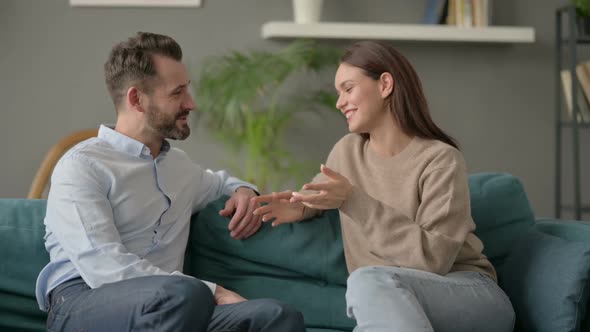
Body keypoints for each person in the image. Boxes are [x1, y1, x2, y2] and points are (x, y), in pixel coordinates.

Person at [35, 32, 305, 332]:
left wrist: (243, 190)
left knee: (276, 315)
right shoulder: (82, 166)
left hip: (175, 308)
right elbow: (103, 266)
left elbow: (221, 183)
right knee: (183, 295)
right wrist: (214, 291)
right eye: (177, 93)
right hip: (83, 302)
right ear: (137, 99)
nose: (191, 103)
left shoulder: (179, 167)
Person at [253, 41, 515, 332]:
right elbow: (323, 190)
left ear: (385, 84)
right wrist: (301, 205)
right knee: (371, 288)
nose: (339, 102)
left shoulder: (440, 159)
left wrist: (353, 200)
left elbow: (434, 260)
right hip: (391, 298)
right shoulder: (347, 152)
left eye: (348, 88)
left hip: (467, 293)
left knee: (367, 279)